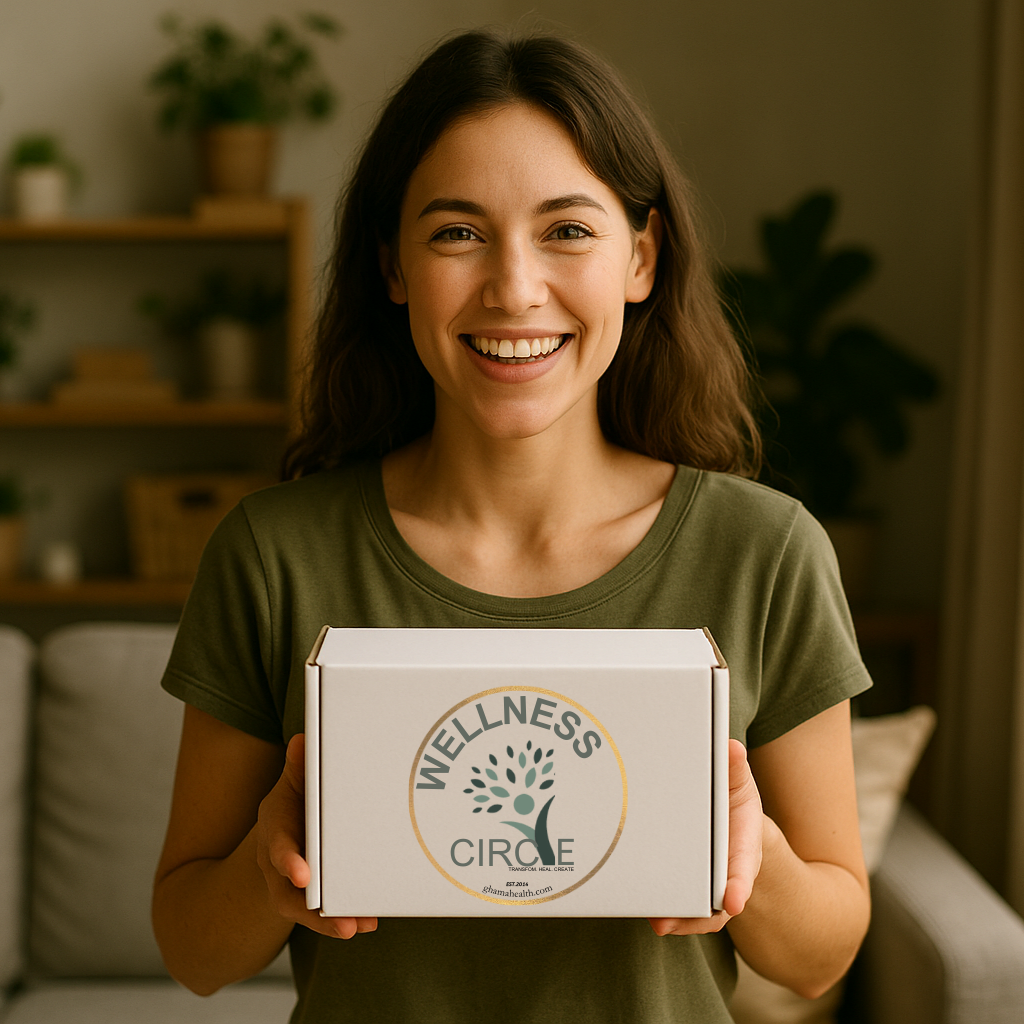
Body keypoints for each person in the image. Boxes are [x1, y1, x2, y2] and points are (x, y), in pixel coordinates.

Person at [152, 29, 872, 1024]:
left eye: (566, 230)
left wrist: (754, 854)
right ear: (393, 266)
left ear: (642, 256)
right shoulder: (274, 554)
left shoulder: (764, 552)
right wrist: (269, 865)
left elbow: (821, 954)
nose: (514, 289)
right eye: (456, 233)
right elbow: (191, 947)